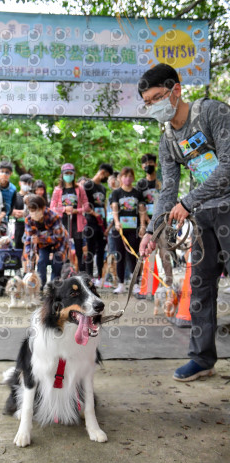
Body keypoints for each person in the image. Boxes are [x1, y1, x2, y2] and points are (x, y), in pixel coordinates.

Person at [138, 62, 230, 382]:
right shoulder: (168, 139)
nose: (153, 106)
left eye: (157, 97)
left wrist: (188, 202)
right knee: (200, 288)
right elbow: (168, 191)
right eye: (148, 102)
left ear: (176, 90)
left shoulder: (211, 114)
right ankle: (202, 358)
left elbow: (229, 166)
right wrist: (152, 230)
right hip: (204, 218)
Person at [136, 153, 173, 287]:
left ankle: (169, 283)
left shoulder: (161, 182)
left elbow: (168, 201)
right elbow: (141, 204)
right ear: (142, 166)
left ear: (155, 164)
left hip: (162, 223)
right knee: (148, 254)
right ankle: (149, 285)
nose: (148, 166)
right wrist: (145, 222)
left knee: (165, 253)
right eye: (145, 163)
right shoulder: (141, 183)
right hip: (147, 224)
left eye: (150, 163)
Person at [111, 167, 146, 294]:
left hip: (134, 229)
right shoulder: (116, 193)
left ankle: (136, 283)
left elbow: (142, 209)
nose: (128, 178)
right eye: (125, 176)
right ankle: (121, 284)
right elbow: (114, 208)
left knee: (134, 255)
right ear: (120, 178)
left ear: (133, 178)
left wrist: (142, 225)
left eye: (130, 176)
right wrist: (116, 222)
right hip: (120, 230)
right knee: (119, 256)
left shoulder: (137, 193)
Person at [23, 194, 69, 290]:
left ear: (43, 208)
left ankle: (53, 288)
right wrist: (30, 260)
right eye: (31, 211)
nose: (34, 213)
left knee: (57, 263)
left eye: (36, 210)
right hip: (42, 245)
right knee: (41, 262)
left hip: (59, 243)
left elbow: (59, 237)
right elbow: (29, 241)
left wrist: (41, 238)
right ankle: (40, 286)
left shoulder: (54, 216)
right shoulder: (28, 220)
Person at [50, 163, 89, 272]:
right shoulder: (57, 190)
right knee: (63, 248)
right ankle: (64, 272)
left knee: (79, 248)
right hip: (63, 222)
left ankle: (82, 273)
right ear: (62, 175)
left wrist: (77, 210)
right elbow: (52, 207)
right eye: (66, 173)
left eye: (70, 173)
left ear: (74, 174)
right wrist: (63, 209)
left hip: (77, 222)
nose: (68, 175)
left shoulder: (79, 189)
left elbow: (86, 205)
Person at [83, 163, 113, 285]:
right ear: (102, 173)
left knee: (101, 251)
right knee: (90, 250)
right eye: (107, 176)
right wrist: (94, 214)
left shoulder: (103, 188)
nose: (107, 179)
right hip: (90, 222)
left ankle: (100, 277)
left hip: (101, 225)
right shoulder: (87, 185)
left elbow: (103, 205)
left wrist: (105, 224)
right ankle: (89, 277)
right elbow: (84, 204)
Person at [12, 173, 33, 250]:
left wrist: (25, 213)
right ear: (20, 183)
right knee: (18, 249)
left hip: (32, 226)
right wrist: (17, 212)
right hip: (19, 226)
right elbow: (12, 211)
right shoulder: (15, 197)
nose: (27, 185)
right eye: (25, 183)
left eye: (29, 183)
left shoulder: (33, 197)